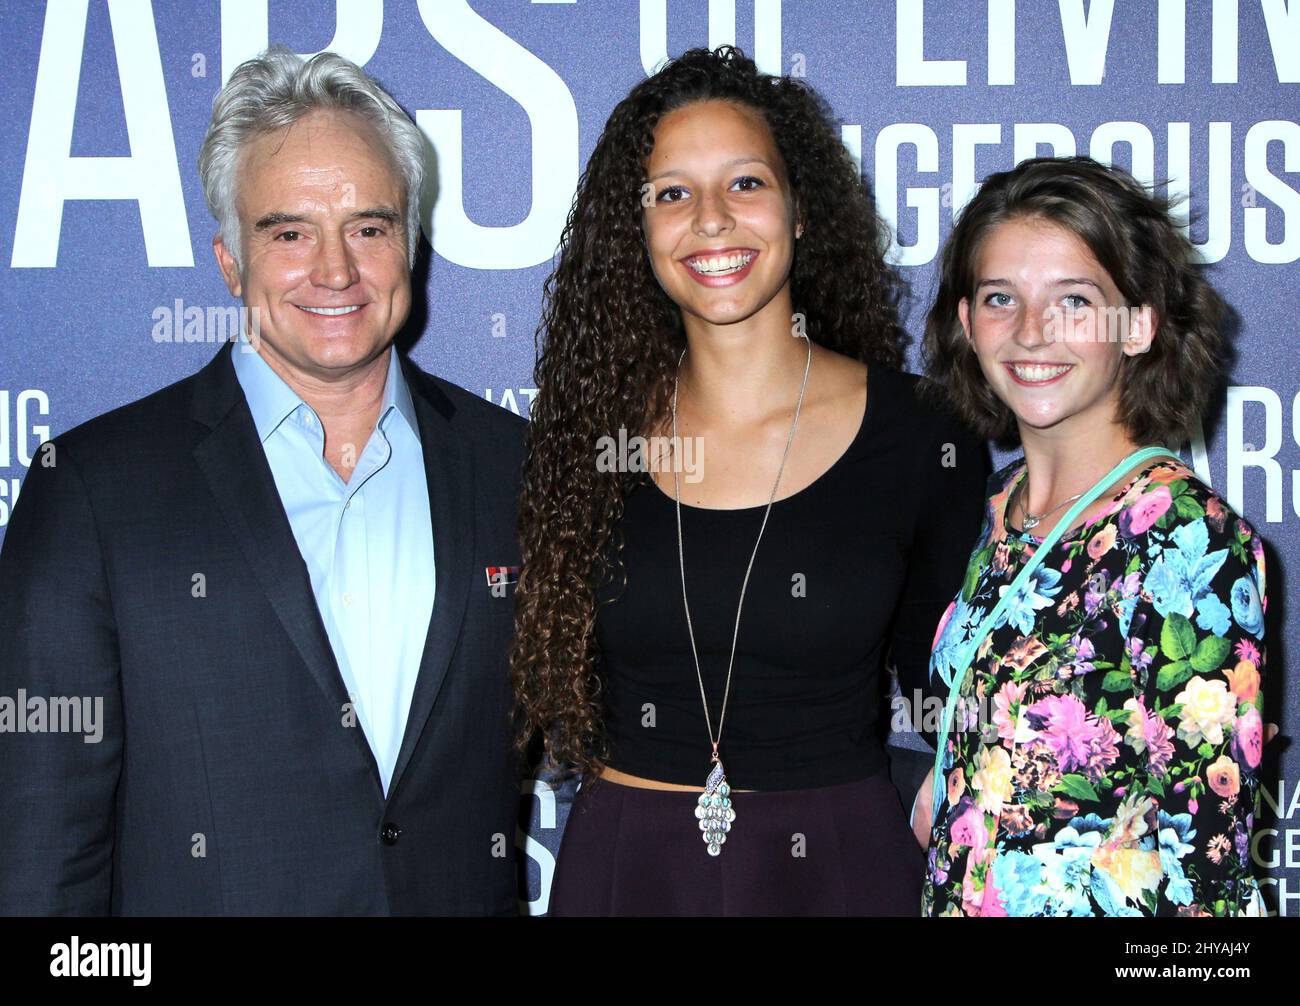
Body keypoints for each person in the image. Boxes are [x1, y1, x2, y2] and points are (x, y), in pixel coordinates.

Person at [0, 48, 526, 915]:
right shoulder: (92, 492)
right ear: (229, 262)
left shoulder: (514, 466)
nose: (334, 271)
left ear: (411, 241)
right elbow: (41, 853)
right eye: (288, 233)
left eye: (369, 226)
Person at [510, 46, 987, 916]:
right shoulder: (587, 439)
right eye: (672, 193)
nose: (712, 220)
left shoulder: (922, 433)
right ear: (639, 229)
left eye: (746, 184)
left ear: (800, 210)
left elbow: (948, 685)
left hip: (838, 867)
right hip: (629, 867)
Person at [915, 155, 1269, 917]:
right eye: (1000, 298)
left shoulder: (1186, 537)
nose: (1031, 331)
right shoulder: (1004, 509)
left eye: (1073, 301)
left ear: (1138, 325)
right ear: (968, 323)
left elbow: (1207, 863)